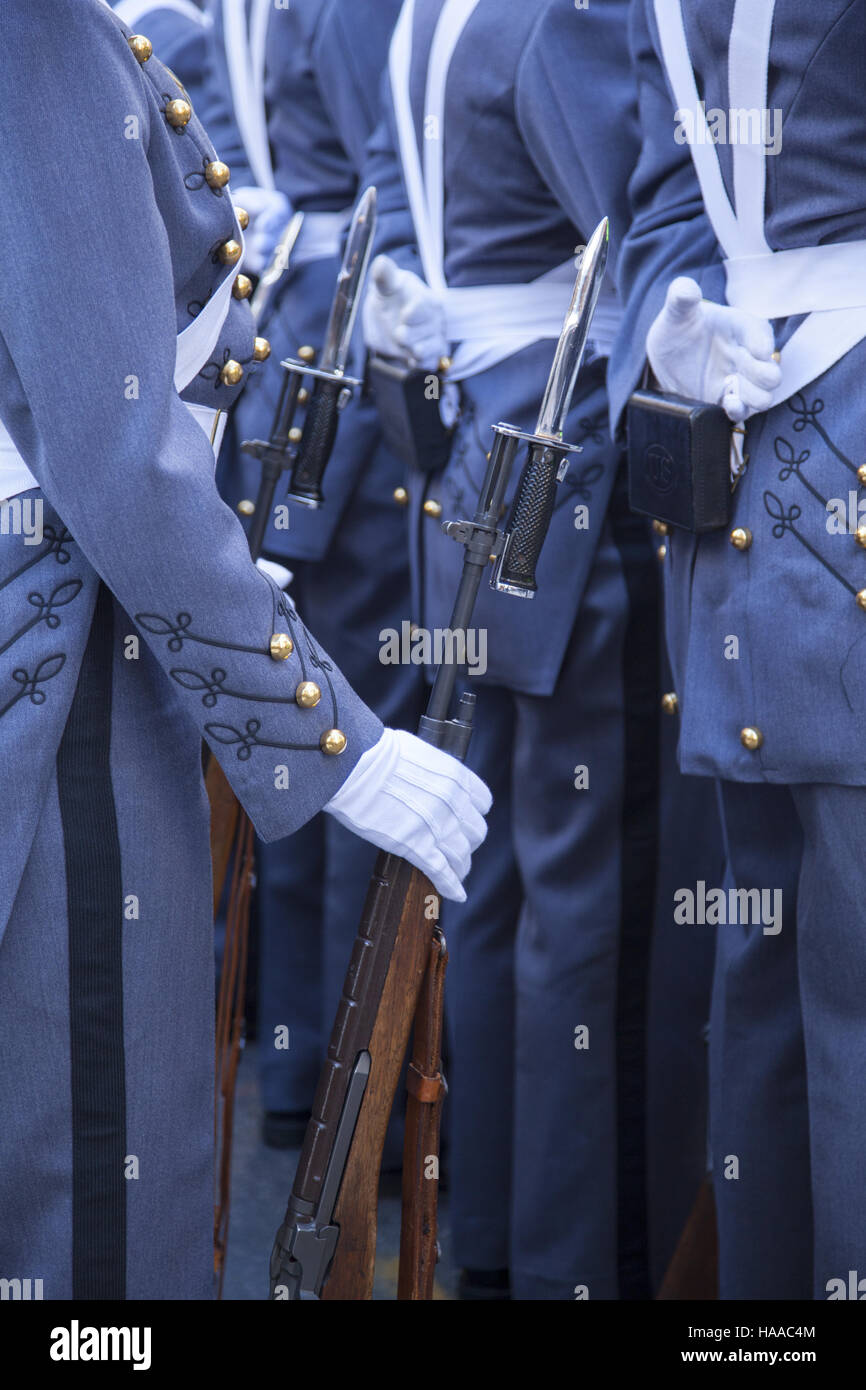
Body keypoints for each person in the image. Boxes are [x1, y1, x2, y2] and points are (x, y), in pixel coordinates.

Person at [0, 0, 488, 1300]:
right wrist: (333, 742)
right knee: (99, 1224)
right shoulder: (38, 37)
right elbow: (112, 453)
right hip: (66, 678)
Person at [361, 0, 714, 1301]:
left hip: (481, 452)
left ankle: (496, 1242)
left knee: (505, 883)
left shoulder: (427, 18)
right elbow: (645, 227)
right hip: (569, 469)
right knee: (598, 907)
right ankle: (597, 1263)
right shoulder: (551, 16)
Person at [611, 0, 866, 1299]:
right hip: (809, 446)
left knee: (779, 969)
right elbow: (663, 200)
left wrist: (662, 354)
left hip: (755, 459)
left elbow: (654, 214)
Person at [202, 0, 419, 1149]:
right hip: (345, 350)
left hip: (300, 328)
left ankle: (304, 1079)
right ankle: (347, 1106)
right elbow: (392, 189)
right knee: (345, 734)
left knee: (314, 713)